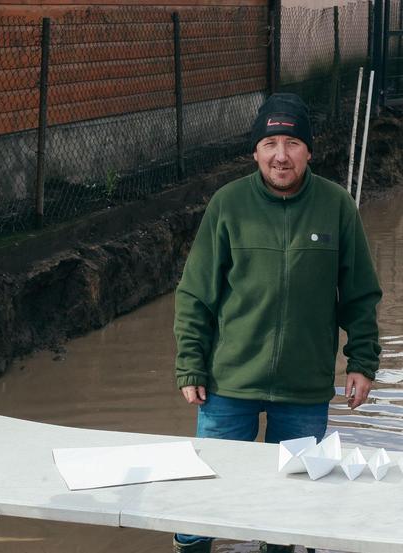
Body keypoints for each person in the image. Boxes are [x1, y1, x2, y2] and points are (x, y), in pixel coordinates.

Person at [172, 93, 381, 553]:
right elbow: (194, 295)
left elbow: (361, 294)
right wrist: (190, 364)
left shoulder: (337, 206)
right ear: (255, 152)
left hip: (303, 388)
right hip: (228, 385)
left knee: (290, 505)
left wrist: (362, 361)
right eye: (270, 144)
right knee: (202, 499)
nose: (280, 155)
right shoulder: (228, 205)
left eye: (291, 143)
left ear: (309, 149)